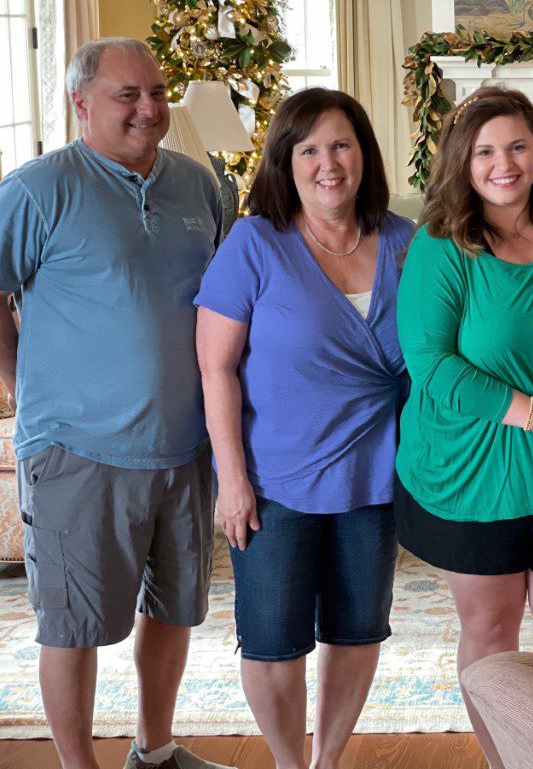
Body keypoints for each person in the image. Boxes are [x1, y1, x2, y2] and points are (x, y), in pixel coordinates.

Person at [0, 38, 228, 769]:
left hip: (185, 444)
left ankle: (155, 750)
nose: (149, 108)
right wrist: (23, 385)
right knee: (71, 626)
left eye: (158, 92)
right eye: (127, 95)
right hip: (75, 450)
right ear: (81, 103)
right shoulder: (37, 189)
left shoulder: (199, 187)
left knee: (174, 612)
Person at [193, 88, 412, 769]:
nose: (327, 163)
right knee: (272, 640)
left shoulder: (408, 242)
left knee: (357, 631)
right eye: (308, 149)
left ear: (364, 154)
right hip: (274, 482)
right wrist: (231, 481)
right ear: (285, 162)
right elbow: (215, 369)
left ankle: (328, 762)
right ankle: (291, 763)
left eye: (341, 144)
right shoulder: (255, 243)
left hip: (375, 477)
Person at [394, 85, 533, 768]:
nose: (503, 163)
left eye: (518, 145)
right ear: (463, 163)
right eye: (485, 151)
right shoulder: (443, 246)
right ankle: (505, 762)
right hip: (471, 475)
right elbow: (431, 365)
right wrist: (532, 412)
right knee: (491, 632)